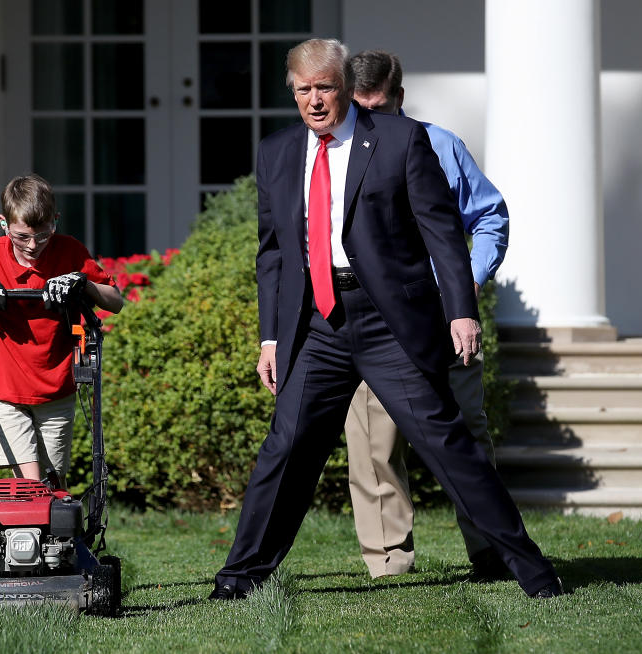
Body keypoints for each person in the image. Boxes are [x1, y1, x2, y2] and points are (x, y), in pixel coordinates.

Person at [209, 38, 562, 600]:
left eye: (324, 86)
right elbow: (273, 252)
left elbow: (442, 231)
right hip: (317, 326)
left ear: (345, 86)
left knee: (449, 445)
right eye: (303, 89)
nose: (314, 100)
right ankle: (239, 578)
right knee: (286, 449)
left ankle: (534, 573)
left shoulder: (399, 140)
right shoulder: (277, 153)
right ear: (292, 92)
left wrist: (461, 312)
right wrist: (271, 337)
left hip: (389, 324)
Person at [344, 50, 510, 581]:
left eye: (380, 106)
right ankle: (389, 561)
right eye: (359, 107)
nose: (370, 117)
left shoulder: (441, 145)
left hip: (441, 319)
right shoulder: (328, 155)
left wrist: (466, 285)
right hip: (369, 321)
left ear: (400, 97)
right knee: (374, 444)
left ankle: (491, 551)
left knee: (466, 436)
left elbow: (489, 217)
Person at [0, 174, 123, 485]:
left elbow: (115, 302)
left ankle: (52, 534)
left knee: (53, 482)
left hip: (57, 381)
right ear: (4, 223)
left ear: (55, 221)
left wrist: (83, 282)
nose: (33, 246)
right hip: (2, 382)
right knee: (32, 486)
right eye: (22, 237)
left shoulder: (69, 251)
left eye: (43, 235)